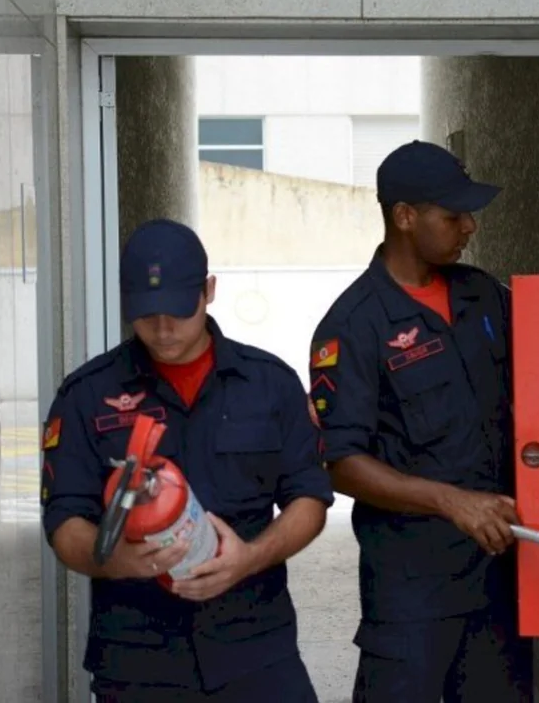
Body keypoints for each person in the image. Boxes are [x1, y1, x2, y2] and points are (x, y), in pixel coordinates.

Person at [40, 218, 333, 703]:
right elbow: (63, 521)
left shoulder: (268, 384)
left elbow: (310, 499)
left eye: (178, 310)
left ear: (209, 291)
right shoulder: (86, 396)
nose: (162, 328)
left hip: (255, 647)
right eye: (146, 313)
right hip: (138, 658)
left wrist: (249, 558)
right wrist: (117, 561)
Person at [309, 140, 534, 702]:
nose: (470, 227)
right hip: (411, 589)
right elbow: (341, 464)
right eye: (453, 216)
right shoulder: (353, 326)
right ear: (405, 218)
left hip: (498, 575)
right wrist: (450, 501)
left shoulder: (484, 296)